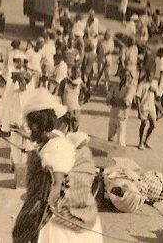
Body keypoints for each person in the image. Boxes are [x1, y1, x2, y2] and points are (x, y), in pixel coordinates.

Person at [12, 88, 103, 243]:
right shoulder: (55, 139)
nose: (28, 128)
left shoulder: (55, 147)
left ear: (35, 124)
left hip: (59, 222)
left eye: (29, 124)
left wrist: (49, 208)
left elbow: (57, 180)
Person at [0, 51, 34, 171]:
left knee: (26, 145)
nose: (21, 85)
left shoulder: (29, 95)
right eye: (20, 82)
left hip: (25, 124)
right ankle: (14, 163)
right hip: (15, 122)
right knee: (15, 145)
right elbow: (9, 108)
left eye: (23, 83)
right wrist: (9, 122)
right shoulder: (14, 94)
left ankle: (23, 166)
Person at [107, 69, 136, 147]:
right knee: (110, 139)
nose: (126, 78)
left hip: (122, 116)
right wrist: (118, 101)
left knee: (120, 141)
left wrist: (114, 100)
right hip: (113, 114)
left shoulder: (131, 88)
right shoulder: (115, 86)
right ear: (120, 76)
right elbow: (108, 101)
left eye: (128, 76)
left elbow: (126, 103)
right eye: (124, 75)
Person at [58, 65, 88, 132]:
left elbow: (88, 94)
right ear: (71, 72)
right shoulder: (64, 82)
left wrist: (82, 102)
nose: (77, 74)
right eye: (75, 72)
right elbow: (59, 95)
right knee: (63, 131)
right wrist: (61, 107)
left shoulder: (80, 83)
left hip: (76, 110)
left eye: (78, 73)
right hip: (65, 109)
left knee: (75, 130)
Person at [135, 71, 157, 150]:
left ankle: (146, 140)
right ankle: (140, 142)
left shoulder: (154, 84)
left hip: (151, 107)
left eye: (152, 76)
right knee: (143, 124)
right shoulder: (142, 85)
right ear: (147, 76)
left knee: (153, 125)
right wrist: (139, 111)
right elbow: (137, 98)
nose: (150, 78)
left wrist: (154, 90)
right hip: (144, 107)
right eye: (149, 76)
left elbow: (157, 95)